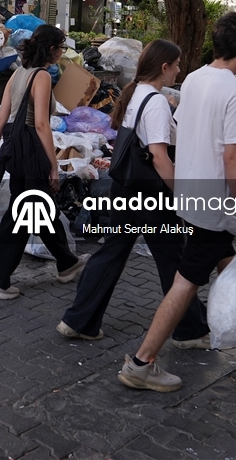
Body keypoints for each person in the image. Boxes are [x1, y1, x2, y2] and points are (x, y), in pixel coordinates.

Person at [117, 12, 236, 392]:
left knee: (228, 265)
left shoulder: (194, 78)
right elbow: (232, 158)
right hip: (215, 205)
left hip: (191, 196)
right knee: (185, 284)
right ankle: (141, 363)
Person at [58, 40, 209, 346]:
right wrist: (181, 193)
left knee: (115, 251)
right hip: (149, 195)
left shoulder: (138, 94)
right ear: (164, 67)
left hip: (126, 189)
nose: (179, 70)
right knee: (171, 257)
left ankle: (78, 320)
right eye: (177, 65)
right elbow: (159, 156)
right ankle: (190, 329)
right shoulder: (154, 102)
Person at [0, 25, 86, 300]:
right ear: (50, 49)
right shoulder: (42, 77)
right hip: (32, 149)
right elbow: (41, 125)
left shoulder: (18, 73)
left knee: (37, 206)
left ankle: (66, 262)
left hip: (15, 148)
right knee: (24, 212)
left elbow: (1, 118)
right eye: (60, 48)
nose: (62, 53)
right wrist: (53, 165)